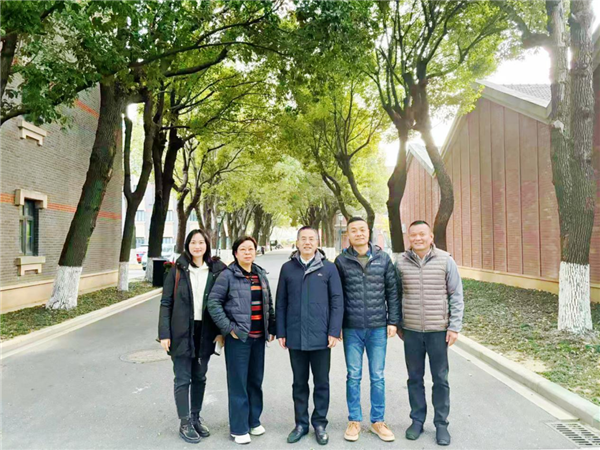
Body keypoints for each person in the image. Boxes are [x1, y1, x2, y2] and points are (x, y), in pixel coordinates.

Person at [396, 220, 464, 446]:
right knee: (414, 378)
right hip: (411, 331)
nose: (417, 238)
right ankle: (417, 420)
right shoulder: (401, 262)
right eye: (413, 235)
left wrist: (454, 326)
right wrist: (398, 324)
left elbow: (456, 295)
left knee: (440, 379)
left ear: (431, 236)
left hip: (438, 331)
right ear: (409, 238)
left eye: (422, 234)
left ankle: (441, 424)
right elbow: (395, 295)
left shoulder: (445, 260)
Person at [334, 217, 400, 443]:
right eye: (354, 230)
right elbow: (337, 296)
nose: (359, 233)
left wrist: (393, 321)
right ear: (348, 235)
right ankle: (354, 420)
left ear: (368, 231)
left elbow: (392, 291)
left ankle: (377, 421)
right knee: (353, 375)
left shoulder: (383, 258)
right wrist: (337, 326)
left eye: (362, 229)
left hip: (377, 327)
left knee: (377, 376)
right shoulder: (341, 261)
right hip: (351, 328)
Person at [276, 226, 344, 446]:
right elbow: (281, 302)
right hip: (295, 335)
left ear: (317, 242)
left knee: (322, 382)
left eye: (311, 239)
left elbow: (337, 301)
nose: (307, 242)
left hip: (321, 336)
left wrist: (334, 330)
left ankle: (320, 424)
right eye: (303, 239)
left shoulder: (329, 268)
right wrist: (281, 331)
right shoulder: (288, 268)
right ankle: (301, 424)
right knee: (299, 383)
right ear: (297, 242)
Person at [158, 229, 227, 444]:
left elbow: (225, 301)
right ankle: (185, 422)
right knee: (182, 378)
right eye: (193, 242)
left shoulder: (216, 270)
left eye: (201, 242)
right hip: (181, 331)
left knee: (200, 376)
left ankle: (195, 417)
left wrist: (221, 332)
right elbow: (166, 302)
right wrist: (164, 334)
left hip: (206, 331)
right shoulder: (177, 270)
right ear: (187, 245)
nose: (197, 246)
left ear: (207, 245)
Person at [207, 235, 276, 445]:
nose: (247, 253)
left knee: (255, 381)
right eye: (243, 249)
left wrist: (271, 326)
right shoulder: (228, 275)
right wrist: (229, 329)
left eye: (251, 249)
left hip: (258, 337)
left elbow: (268, 303)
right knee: (238, 383)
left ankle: (253, 421)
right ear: (236, 253)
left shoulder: (260, 274)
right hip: (239, 339)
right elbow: (213, 303)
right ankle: (239, 428)